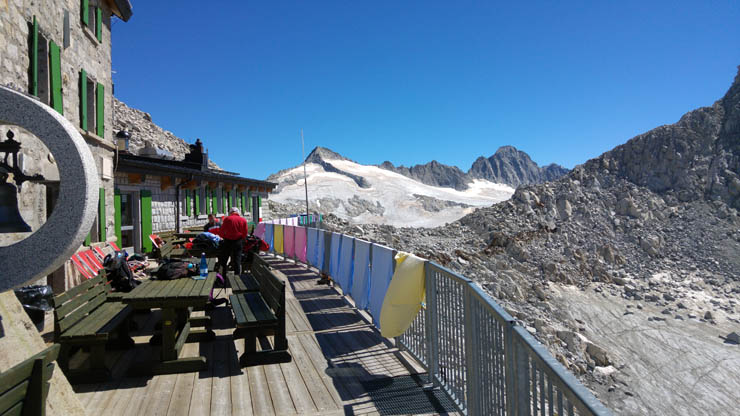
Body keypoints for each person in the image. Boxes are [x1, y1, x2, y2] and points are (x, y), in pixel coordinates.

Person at [218, 207, 248, 276]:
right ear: (238, 212)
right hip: (238, 241)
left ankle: (223, 276)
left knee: (224, 259)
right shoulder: (243, 220)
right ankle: (237, 276)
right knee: (237, 260)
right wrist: (243, 240)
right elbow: (245, 233)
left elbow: (221, 231)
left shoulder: (227, 219)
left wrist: (224, 237)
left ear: (230, 212)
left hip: (228, 241)